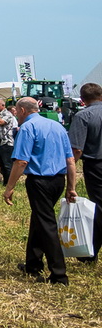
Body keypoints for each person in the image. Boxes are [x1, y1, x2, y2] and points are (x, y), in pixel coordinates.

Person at [3, 97, 77, 285]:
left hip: (39, 181)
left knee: (46, 224)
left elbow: (21, 161)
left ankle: (59, 274)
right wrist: (71, 187)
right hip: (58, 181)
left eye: (16, 112)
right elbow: (70, 160)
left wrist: (9, 187)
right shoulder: (58, 126)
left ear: (21, 110)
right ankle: (33, 264)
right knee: (39, 219)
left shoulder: (28, 128)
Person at [67, 82, 102, 263]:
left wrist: (69, 170)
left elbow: (77, 150)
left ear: (82, 100)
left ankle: (90, 253)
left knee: (98, 207)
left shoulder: (83, 116)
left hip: (96, 165)